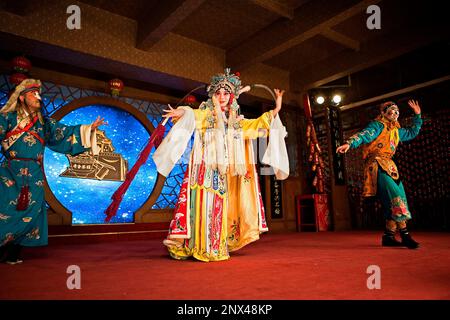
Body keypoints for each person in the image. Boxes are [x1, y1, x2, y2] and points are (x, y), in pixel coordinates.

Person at [153, 69, 289, 262]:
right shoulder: (206, 114)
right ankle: (195, 246)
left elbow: (258, 125)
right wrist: (180, 111)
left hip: (223, 173)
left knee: (217, 207)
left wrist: (277, 107)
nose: (222, 97)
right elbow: (191, 113)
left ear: (232, 96)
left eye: (226, 93)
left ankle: (214, 247)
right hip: (202, 170)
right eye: (218, 93)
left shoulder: (236, 122)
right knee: (199, 207)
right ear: (213, 95)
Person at [0, 78, 106, 264]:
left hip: (34, 173)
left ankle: (14, 252)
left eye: (38, 94)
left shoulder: (43, 123)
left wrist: (90, 128)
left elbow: (64, 133)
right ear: (22, 97)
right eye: (33, 93)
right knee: (6, 208)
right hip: (10, 172)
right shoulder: (7, 118)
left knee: (31, 211)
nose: (38, 97)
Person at [336, 99, 422, 249]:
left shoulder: (396, 130)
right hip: (376, 164)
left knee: (397, 197)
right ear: (383, 113)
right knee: (395, 196)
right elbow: (363, 135)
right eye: (391, 110)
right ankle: (405, 235)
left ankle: (388, 236)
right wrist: (349, 143)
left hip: (390, 165)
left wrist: (418, 115)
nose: (395, 113)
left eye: (397, 111)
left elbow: (412, 132)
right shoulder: (377, 125)